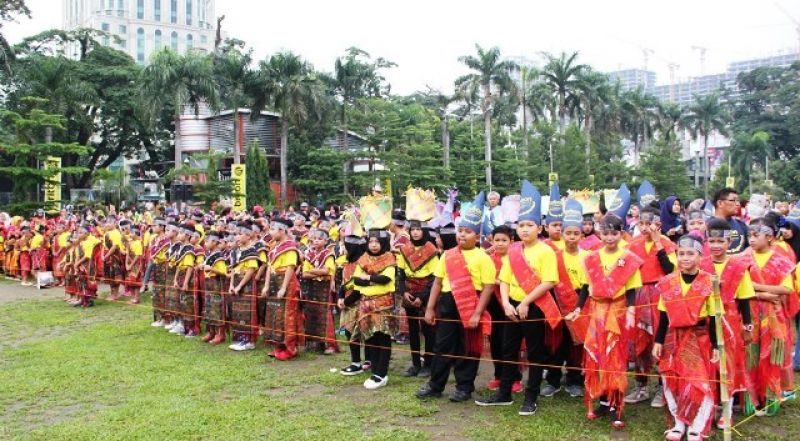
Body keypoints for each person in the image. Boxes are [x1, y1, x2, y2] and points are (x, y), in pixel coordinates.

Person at [475, 181, 558, 416]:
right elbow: (503, 280)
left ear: (539, 228)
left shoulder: (545, 251)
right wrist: (508, 304)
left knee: (534, 353)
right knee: (508, 350)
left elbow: (549, 281)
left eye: (529, 225)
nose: (525, 229)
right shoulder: (513, 250)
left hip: (533, 309)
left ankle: (531, 397)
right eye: (521, 225)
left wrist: (524, 303)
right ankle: (504, 393)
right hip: (511, 308)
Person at [566, 214, 644, 429]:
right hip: (597, 310)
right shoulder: (591, 257)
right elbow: (584, 286)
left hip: (617, 311)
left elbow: (630, 288)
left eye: (614, 233)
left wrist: (629, 311)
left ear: (621, 234)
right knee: (598, 357)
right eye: (606, 233)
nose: (609, 237)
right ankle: (602, 401)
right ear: (599, 233)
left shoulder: (627, 257)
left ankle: (616, 407)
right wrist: (578, 309)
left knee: (616, 359)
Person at [416, 192, 495, 402]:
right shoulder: (448, 254)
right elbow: (438, 282)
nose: (462, 235)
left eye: (467, 232)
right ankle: (435, 384)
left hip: (471, 306)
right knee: (441, 346)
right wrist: (430, 308)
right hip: (447, 305)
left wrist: (478, 313)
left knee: (467, 348)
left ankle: (464, 387)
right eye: (460, 231)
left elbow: (488, 288)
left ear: (477, 236)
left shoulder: (483, 258)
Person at [652, 235, 719, 441]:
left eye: (691, 254)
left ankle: (697, 427)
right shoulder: (668, 282)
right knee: (672, 379)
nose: (685, 258)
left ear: (700, 257)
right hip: (673, 337)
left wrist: (716, 344)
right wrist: (658, 341)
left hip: (699, 338)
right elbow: (663, 315)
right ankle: (678, 423)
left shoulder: (710, 282)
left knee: (699, 382)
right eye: (681, 254)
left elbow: (715, 316)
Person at [700, 218, 755, 428]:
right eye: (711, 241)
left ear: (729, 242)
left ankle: (727, 408)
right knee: (708, 363)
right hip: (705, 321)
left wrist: (747, 325)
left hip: (730, 321)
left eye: (719, 241)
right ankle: (709, 406)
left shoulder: (739, 267)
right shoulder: (701, 264)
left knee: (727, 365)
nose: (715, 245)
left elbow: (744, 299)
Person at [625, 206, 677, 407]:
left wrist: (658, 244)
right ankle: (641, 386)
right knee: (638, 342)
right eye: (642, 223)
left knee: (660, 341)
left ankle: (663, 388)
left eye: (650, 223)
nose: (646, 227)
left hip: (659, 296)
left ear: (659, 225)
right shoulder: (634, 243)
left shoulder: (667, 244)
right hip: (638, 295)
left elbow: (671, 270)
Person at [746, 217, 796, 414]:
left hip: (774, 316)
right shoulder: (743, 258)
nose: (751, 239)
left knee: (772, 356)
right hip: (749, 314)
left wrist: (755, 287)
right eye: (749, 235)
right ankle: (751, 400)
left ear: (769, 237)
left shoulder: (781, 261)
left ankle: (771, 399)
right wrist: (762, 293)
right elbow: (737, 287)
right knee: (751, 354)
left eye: (755, 235)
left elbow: (786, 289)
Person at [542, 198, 588, 398]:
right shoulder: (554, 255)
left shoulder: (588, 256)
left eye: (575, 233)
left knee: (577, 344)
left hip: (580, 301)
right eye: (568, 233)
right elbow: (550, 281)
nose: (571, 237)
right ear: (562, 234)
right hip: (558, 301)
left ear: (581, 235)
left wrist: (579, 306)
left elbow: (588, 285)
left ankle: (575, 380)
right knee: (556, 343)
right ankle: (553, 380)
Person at [351, 228, 398, 389]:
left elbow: (386, 279)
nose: (374, 245)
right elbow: (357, 280)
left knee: (383, 336)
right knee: (370, 337)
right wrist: (373, 279)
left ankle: (382, 373)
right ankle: (375, 370)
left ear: (383, 243)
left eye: (377, 242)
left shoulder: (389, 257)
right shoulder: (363, 258)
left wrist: (368, 278)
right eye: (371, 241)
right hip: (365, 304)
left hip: (383, 303)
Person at [396, 220, 439, 377]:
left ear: (424, 231)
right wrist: (403, 292)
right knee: (412, 330)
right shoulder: (404, 249)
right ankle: (415, 364)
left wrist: (422, 297)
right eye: (413, 229)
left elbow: (434, 277)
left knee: (428, 330)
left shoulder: (431, 249)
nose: (415, 232)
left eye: (418, 229)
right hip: (409, 292)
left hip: (426, 293)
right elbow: (400, 274)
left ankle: (428, 364)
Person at [484, 225, 523, 394]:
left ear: (512, 241)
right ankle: (498, 374)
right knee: (495, 341)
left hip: (509, 303)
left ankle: (514, 377)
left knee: (510, 344)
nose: (500, 244)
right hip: (493, 304)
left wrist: (498, 282)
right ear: (491, 241)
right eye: (496, 240)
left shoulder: (517, 258)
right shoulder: (488, 259)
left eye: (504, 240)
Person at [262, 218, 302, 360]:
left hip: (286, 283)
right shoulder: (274, 246)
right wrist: (266, 285)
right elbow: (269, 267)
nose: (270, 232)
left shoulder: (290, 247)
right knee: (275, 314)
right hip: (274, 281)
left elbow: (290, 268)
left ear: (281, 230)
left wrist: (284, 287)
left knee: (288, 315)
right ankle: (278, 345)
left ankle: (290, 348)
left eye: (272, 229)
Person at [301, 228, 337, 354]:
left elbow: (327, 271)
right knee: (310, 313)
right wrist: (318, 273)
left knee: (325, 314)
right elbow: (304, 274)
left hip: (324, 288)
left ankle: (329, 345)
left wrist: (313, 271)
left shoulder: (328, 254)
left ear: (326, 241)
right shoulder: (309, 254)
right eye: (315, 238)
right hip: (311, 287)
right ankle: (313, 343)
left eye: (320, 239)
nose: (316, 241)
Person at [228, 222, 260, 352]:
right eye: (237, 234)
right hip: (236, 282)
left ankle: (249, 341)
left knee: (248, 312)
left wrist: (240, 285)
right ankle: (240, 338)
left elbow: (251, 270)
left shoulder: (251, 250)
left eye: (241, 234)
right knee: (237, 312)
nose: (238, 236)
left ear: (248, 236)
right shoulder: (236, 251)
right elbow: (234, 270)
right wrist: (231, 284)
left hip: (246, 284)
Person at [201, 231, 229, 345]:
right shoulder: (209, 254)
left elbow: (224, 272)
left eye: (207, 241)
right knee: (208, 308)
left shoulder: (219, 256)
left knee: (217, 309)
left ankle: (220, 334)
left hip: (216, 284)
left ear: (214, 242)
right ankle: (211, 332)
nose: (205, 243)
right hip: (208, 283)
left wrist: (211, 269)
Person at [714, 188, 749, 254]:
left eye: (738, 201)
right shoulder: (706, 226)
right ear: (720, 203)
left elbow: (752, 247)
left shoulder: (741, 225)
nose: (738, 204)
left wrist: (740, 256)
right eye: (733, 200)